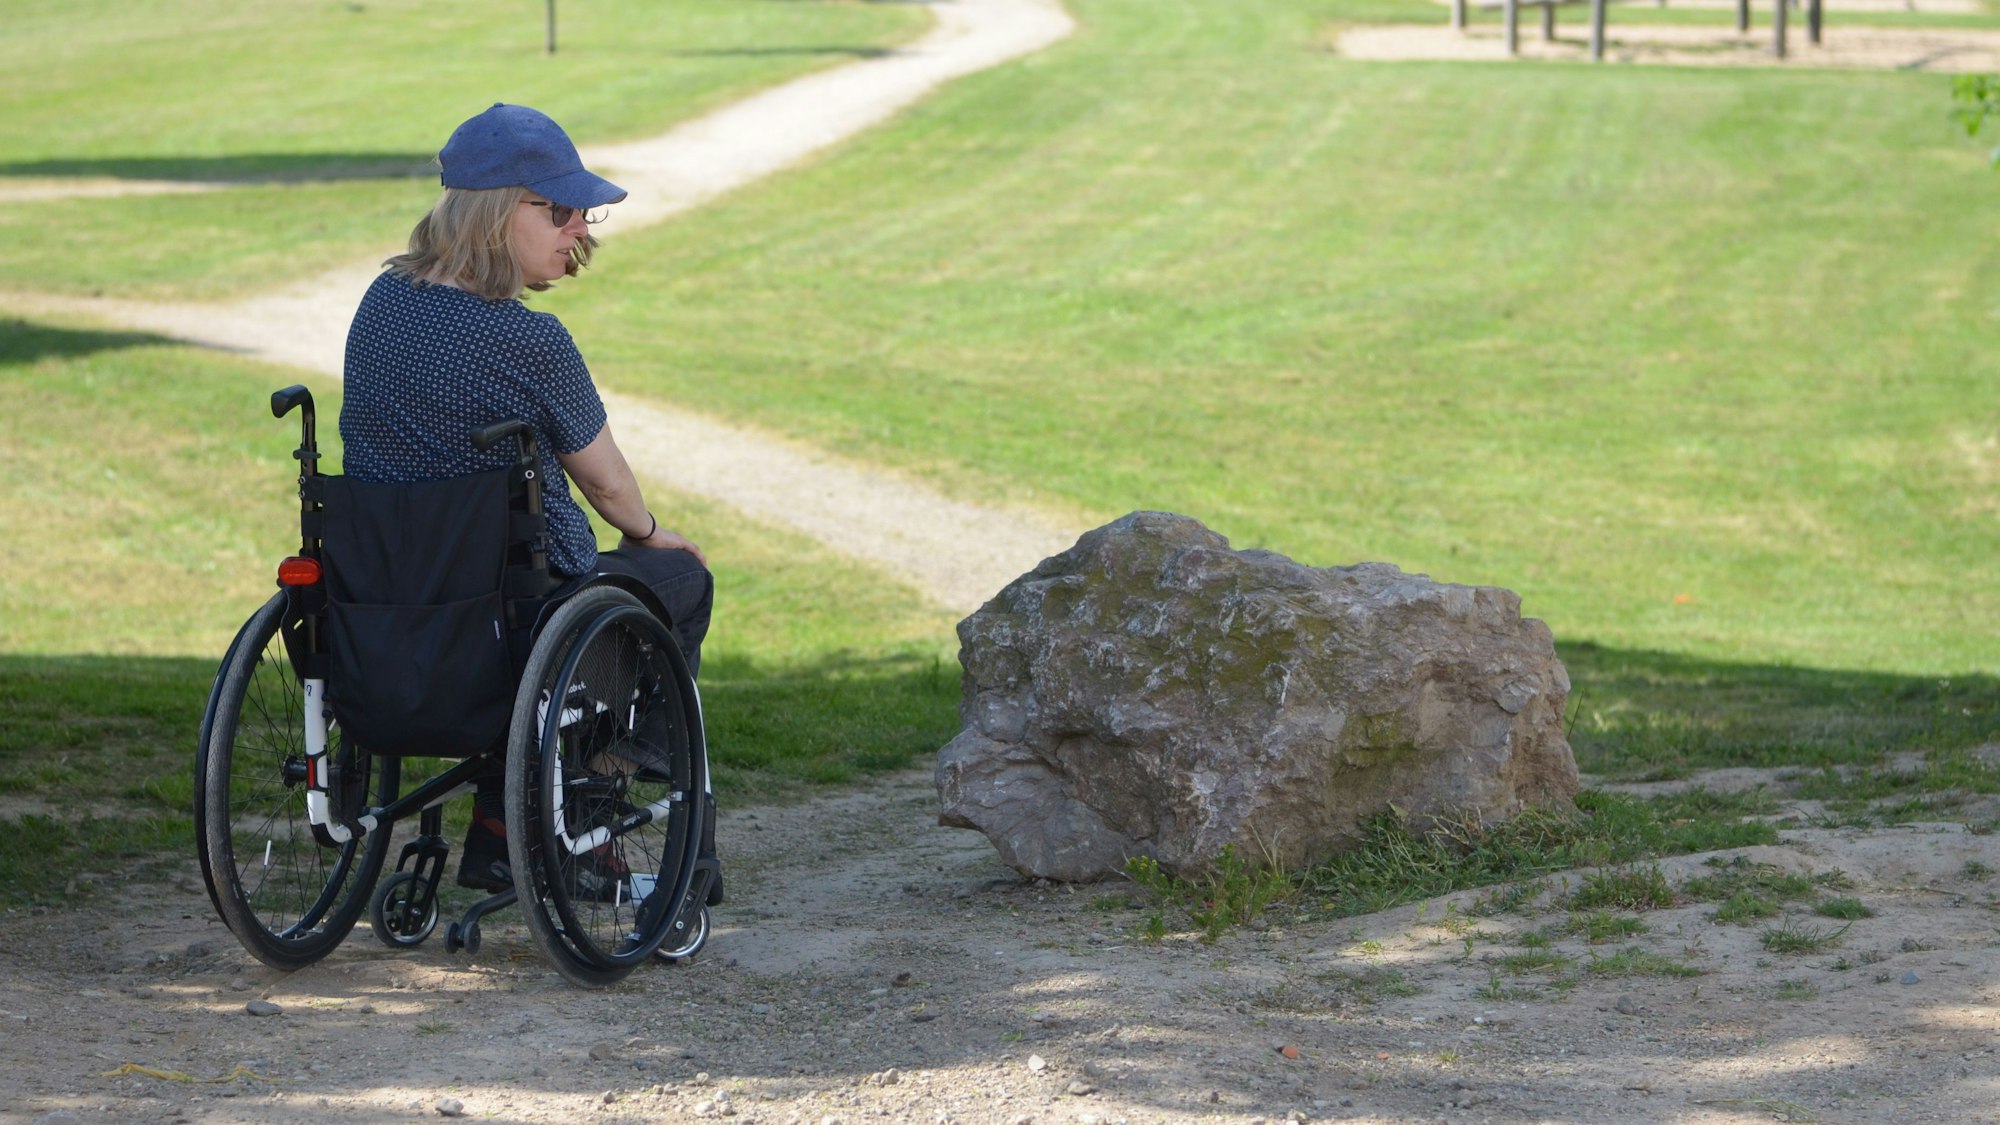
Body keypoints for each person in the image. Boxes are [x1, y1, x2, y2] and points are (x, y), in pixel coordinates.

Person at [339, 103, 713, 892]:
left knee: (558, 589)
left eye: (583, 213)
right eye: (561, 210)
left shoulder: (381, 305)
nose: (579, 230)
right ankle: (588, 796)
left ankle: (501, 819)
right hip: (510, 621)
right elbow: (607, 483)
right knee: (680, 581)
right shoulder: (529, 340)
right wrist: (649, 531)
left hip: (387, 606)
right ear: (500, 210)